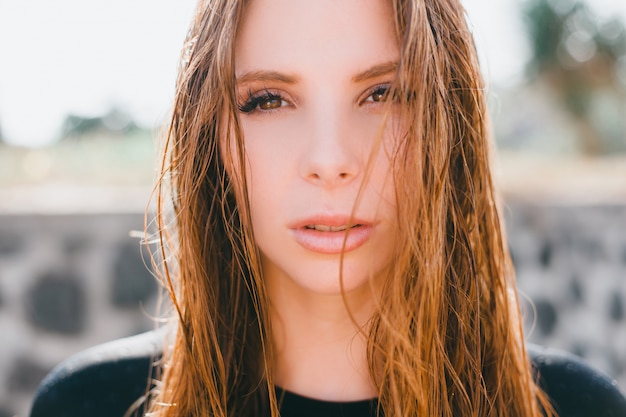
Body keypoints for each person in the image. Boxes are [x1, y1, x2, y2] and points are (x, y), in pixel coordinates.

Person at [46, 0, 619, 417]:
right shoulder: (89, 405)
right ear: (211, 135)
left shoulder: (578, 408)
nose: (330, 160)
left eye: (383, 94)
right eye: (268, 100)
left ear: (450, 123)